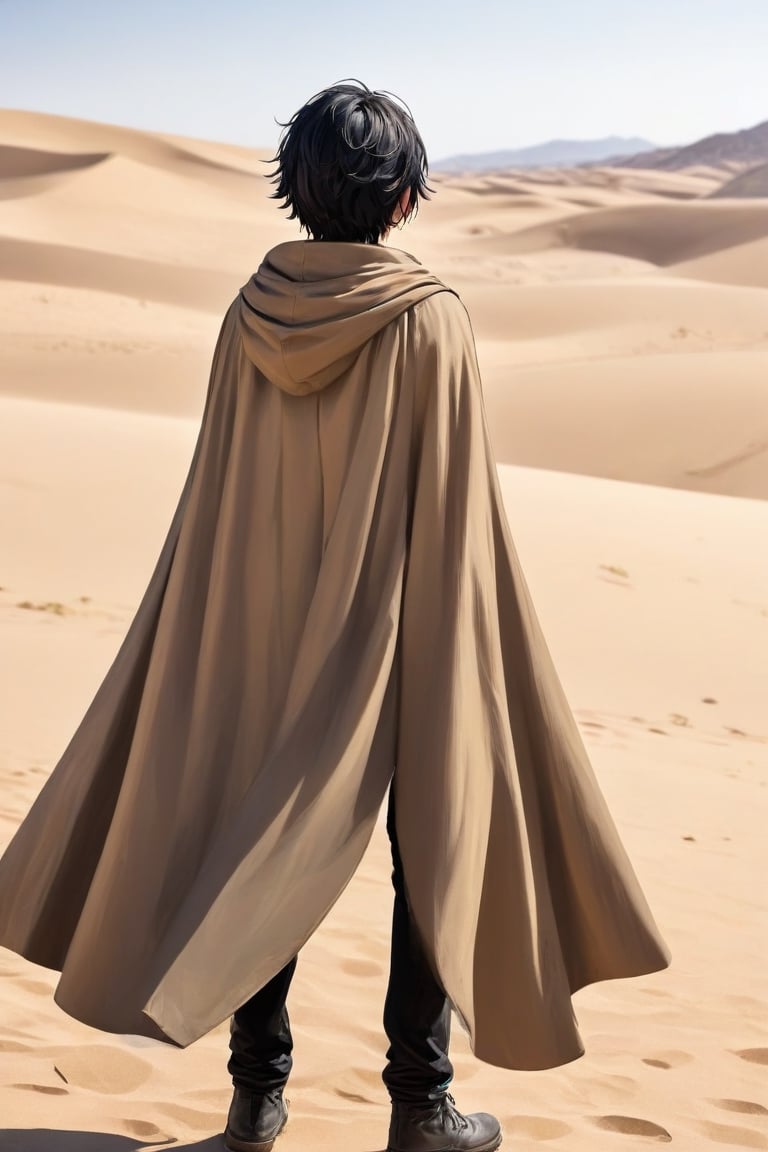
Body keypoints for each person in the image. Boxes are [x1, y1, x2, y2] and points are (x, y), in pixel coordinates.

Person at [0, 82, 670, 1152]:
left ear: (295, 193)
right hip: (406, 630)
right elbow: (453, 512)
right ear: (402, 198)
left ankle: (255, 1099)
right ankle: (421, 1103)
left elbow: (224, 495)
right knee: (436, 840)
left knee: (255, 829)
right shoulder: (430, 317)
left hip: (261, 629)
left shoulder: (249, 311)